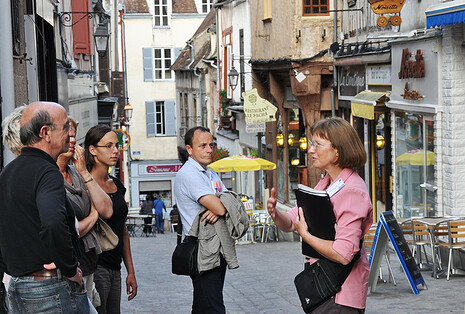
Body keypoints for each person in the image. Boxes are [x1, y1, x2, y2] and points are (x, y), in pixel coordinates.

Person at [267, 117, 373, 313]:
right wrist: (275, 214)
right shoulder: (326, 183)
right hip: (324, 287)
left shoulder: (352, 191)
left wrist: (305, 235)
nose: (311, 150)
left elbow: (343, 253)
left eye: (318, 144)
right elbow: (292, 221)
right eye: (311, 144)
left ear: (337, 151)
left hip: (340, 294)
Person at [0, 101, 88, 313]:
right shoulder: (47, 172)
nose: (71, 134)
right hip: (50, 289)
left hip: (19, 287)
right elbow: (52, 222)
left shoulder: (8, 173)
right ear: (45, 132)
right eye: (66, 126)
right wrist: (68, 268)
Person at [56, 118, 113, 308]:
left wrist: (84, 172)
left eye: (74, 136)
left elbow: (107, 209)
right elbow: (69, 229)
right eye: (67, 135)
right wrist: (93, 216)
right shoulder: (50, 177)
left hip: (89, 264)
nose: (72, 140)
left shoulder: (76, 172)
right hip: (70, 268)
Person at [174, 126, 228, 314]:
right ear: (189, 149)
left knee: (203, 305)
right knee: (212, 306)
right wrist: (220, 207)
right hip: (201, 248)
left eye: (211, 145)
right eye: (203, 146)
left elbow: (230, 201)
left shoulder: (210, 172)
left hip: (215, 246)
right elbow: (222, 206)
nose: (209, 150)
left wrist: (220, 206)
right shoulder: (189, 174)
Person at [84, 124, 137, 313]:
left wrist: (130, 271)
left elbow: (122, 231)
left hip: (115, 268)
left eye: (117, 145)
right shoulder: (85, 185)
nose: (115, 151)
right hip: (96, 266)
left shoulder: (116, 184)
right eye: (109, 146)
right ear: (93, 150)